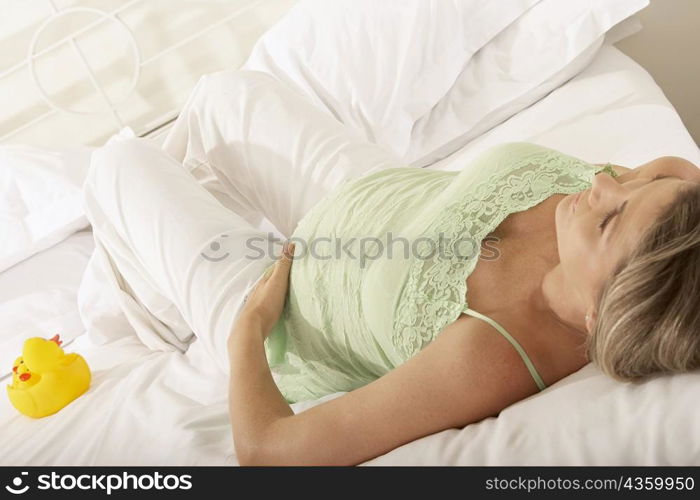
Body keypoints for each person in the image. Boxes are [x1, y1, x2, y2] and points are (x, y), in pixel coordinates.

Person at [82, 70, 700, 466]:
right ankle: (151, 260)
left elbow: (270, 454)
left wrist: (245, 334)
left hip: (290, 308)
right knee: (222, 93)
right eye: (637, 185)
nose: (604, 181)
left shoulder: (495, 351)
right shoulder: (658, 206)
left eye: (610, 219)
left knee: (118, 164)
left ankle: (146, 306)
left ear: (599, 313)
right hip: (375, 197)